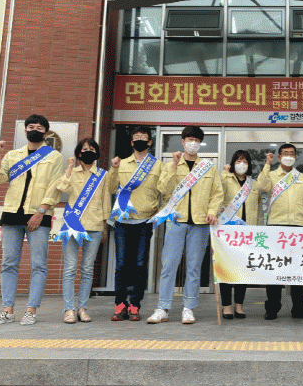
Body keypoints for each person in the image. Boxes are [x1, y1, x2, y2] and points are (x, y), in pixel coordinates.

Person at [0, 114, 64, 325]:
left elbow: (55, 187)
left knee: (38, 264)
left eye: (39, 128)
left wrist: (40, 212)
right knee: (8, 263)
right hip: (12, 214)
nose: (34, 130)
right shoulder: (13, 155)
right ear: (25, 131)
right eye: (31, 127)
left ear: (46, 133)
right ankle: (8, 310)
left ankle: (31, 310)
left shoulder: (54, 157)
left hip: (39, 215)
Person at [148, 126, 223, 324]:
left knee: (194, 267)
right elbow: (162, 188)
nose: (193, 143)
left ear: (200, 143)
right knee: (169, 265)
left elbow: (217, 193)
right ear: (182, 141)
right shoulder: (171, 165)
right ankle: (162, 308)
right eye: (189, 139)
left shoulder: (208, 167)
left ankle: (188, 308)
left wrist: (212, 211)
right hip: (176, 221)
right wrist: (173, 165)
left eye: (197, 140)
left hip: (199, 223)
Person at [108, 126, 163, 322]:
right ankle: (120, 304)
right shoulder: (121, 163)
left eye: (143, 137)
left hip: (145, 221)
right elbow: (111, 188)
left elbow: (164, 190)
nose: (140, 140)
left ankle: (135, 304)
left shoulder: (157, 165)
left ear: (150, 142)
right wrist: (114, 169)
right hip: (123, 221)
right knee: (121, 265)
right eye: (136, 137)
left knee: (140, 265)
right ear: (132, 142)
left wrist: (158, 212)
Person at [54, 138, 111, 323]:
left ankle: (82, 308)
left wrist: (104, 227)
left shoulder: (103, 174)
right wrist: (70, 167)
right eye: (85, 149)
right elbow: (62, 187)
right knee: (70, 268)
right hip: (73, 224)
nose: (89, 152)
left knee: (87, 269)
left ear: (97, 153)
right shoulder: (71, 172)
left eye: (92, 149)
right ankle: (68, 309)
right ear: (79, 153)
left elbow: (105, 201)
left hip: (95, 225)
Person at [257, 143, 303, 320]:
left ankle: (298, 308)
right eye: (285, 153)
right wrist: (267, 164)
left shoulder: (302, 178)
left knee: (298, 271)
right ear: (279, 157)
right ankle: (272, 308)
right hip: (277, 226)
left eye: (292, 154)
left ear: (295, 157)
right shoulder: (271, 175)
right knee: (275, 269)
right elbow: (261, 186)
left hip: (298, 228)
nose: (289, 156)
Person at [218, 150, 262, 319]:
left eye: (244, 161)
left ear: (249, 164)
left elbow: (259, 209)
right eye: (238, 161)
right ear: (232, 163)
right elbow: (217, 193)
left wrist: (258, 230)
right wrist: (224, 172)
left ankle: (239, 305)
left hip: (247, 232)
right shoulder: (225, 179)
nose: (241, 164)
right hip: (228, 231)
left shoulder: (254, 184)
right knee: (226, 269)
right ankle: (226, 306)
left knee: (242, 270)